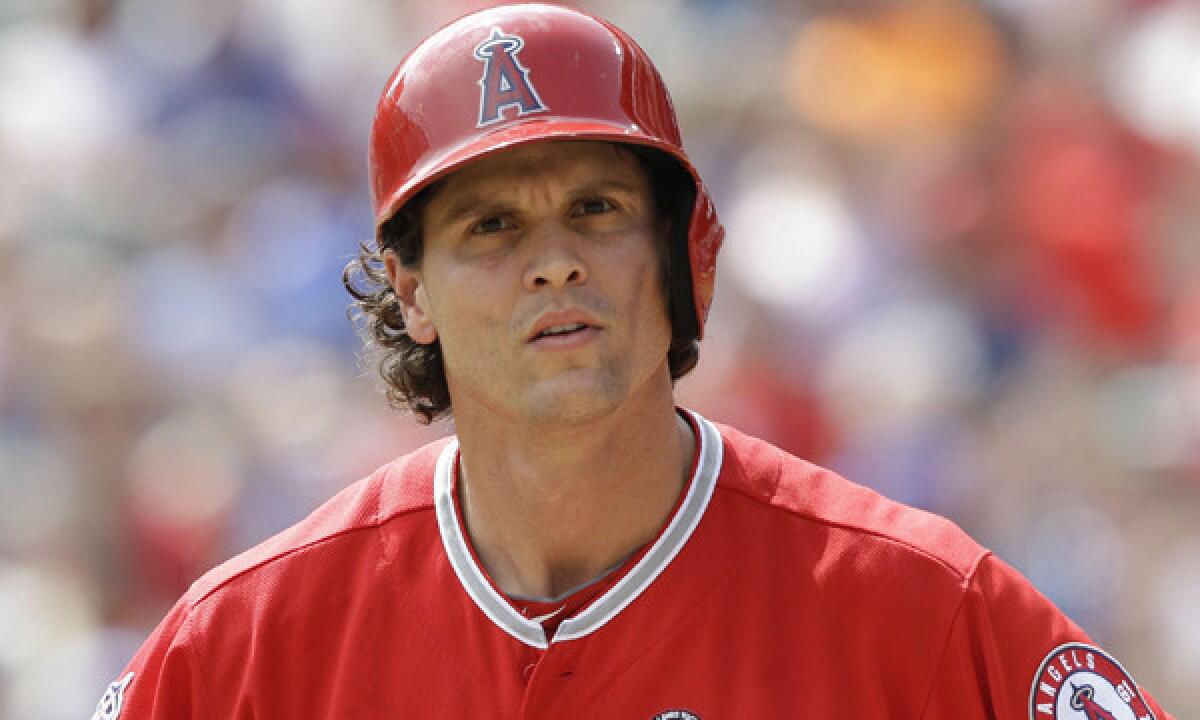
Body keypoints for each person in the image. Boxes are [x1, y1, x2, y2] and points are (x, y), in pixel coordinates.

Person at [94, 4, 1175, 719]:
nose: (554, 264)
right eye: (490, 228)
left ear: (673, 252)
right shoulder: (244, 645)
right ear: (411, 288)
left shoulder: (919, 606)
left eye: (597, 209)